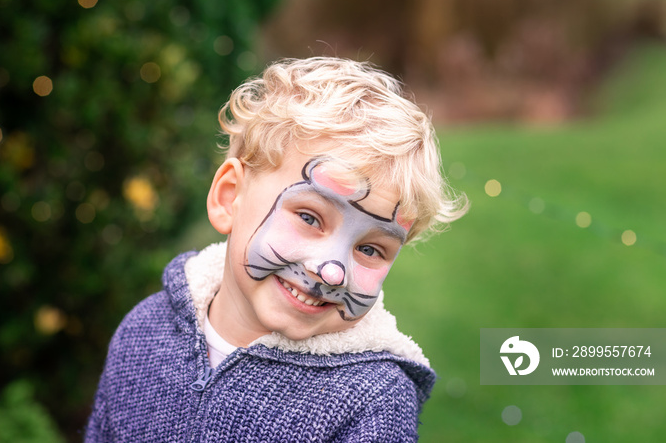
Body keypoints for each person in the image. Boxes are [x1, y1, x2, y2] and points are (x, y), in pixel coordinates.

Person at [85, 57, 467, 442]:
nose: (332, 272)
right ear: (228, 197)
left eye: (370, 250)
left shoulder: (373, 402)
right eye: (310, 218)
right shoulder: (144, 333)